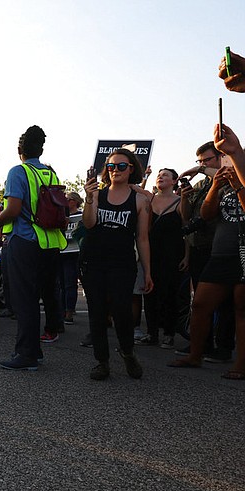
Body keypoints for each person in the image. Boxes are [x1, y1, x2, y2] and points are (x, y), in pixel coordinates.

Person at [169, 122, 245, 379]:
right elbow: (207, 213)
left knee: (240, 308)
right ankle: (195, 355)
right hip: (221, 252)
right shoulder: (217, 182)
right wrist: (215, 185)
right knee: (200, 304)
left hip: (243, 253)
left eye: (208, 161)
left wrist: (236, 184)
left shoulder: (241, 175)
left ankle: (241, 365)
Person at [0, 126, 65, 370]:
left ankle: (27, 355)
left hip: (24, 240)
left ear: (19, 150)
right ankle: (35, 350)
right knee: (40, 296)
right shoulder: (51, 174)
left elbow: (12, 209)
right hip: (51, 243)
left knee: (25, 300)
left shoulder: (18, 171)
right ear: (41, 149)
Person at [82, 149, 153, 380]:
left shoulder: (140, 199)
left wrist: (148, 271)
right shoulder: (98, 195)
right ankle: (102, 362)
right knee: (97, 311)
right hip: (94, 261)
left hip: (122, 263)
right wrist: (89, 198)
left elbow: (142, 238)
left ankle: (128, 351)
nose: (115, 171)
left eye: (121, 166)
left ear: (131, 168)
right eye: (111, 166)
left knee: (122, 310)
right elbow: (89, 224)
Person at [178, 142, 234, 362]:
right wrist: (184, 196)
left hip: (221, 247)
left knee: (226, 302)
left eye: (206, 160)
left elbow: (228, 179)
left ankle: (224, 347)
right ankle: (201, 344)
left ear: (220, 158)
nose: (201, 165)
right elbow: (186, 216)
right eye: (199, 161)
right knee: (200, 301)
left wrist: (200, 170)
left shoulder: (231, 178)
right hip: (199, 247)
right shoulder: (202, 184)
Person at [137, 168, 183, 349]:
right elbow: (135, 188)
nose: (161, 177)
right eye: (159, 175)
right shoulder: (150, 198)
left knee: (170, 294)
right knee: (149, 293)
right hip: (151, 253)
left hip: (172, 255)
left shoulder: (180, 201)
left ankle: (169, 334)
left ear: (174, 181)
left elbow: (186, 230)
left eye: (165, 175)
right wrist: (146, 176)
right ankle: (152, 333)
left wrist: (186, 256)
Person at [59, 192, 83, 325]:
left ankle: (69, 311)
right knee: (61, 283)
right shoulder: (61, 216)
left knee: (70, 283)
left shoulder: (81, 216)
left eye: (67, 199)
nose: (65, 202)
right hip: (61, 251)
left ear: (74, 201)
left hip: (73, 252)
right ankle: (62, 309)